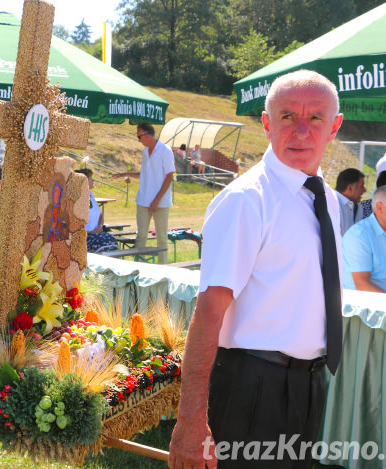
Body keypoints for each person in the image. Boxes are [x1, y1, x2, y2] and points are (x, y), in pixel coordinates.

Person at [168, 70, 344, 469]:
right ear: (266, 124)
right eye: (286, 117)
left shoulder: (325, 198)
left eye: (315, 118)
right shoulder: (247, 200)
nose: (301, 130)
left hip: (307, 384)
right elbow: (209, 312)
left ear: (334, 126)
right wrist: (190, 419)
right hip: (252, 386)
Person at [112, 123, 175, 264]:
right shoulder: (145, 152)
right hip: (143, 200)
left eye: (139, 136)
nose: (138, 140)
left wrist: (156, 200)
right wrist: (125, 174)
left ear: (146, 135)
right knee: (140, 236)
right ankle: (139, 269)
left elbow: (170, 176)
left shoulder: (165, 150)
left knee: (161, 238)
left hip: (161, 202)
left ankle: (163, 270)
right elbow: (145, 175)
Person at [76, 168, 118, 253]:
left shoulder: (90, 195)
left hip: (97, 234)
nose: (93, 180)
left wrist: (99, 227)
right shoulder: (75, 199)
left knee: (111, 239)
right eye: (90, 178)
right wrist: (89, 232)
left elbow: (100, 215)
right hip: (84, 236)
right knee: (103, 243)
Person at [335, 168, 366, 235]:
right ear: (350, 188)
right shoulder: (332, 204)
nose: (364, 190)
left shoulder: (357, 206)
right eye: (361, 186)